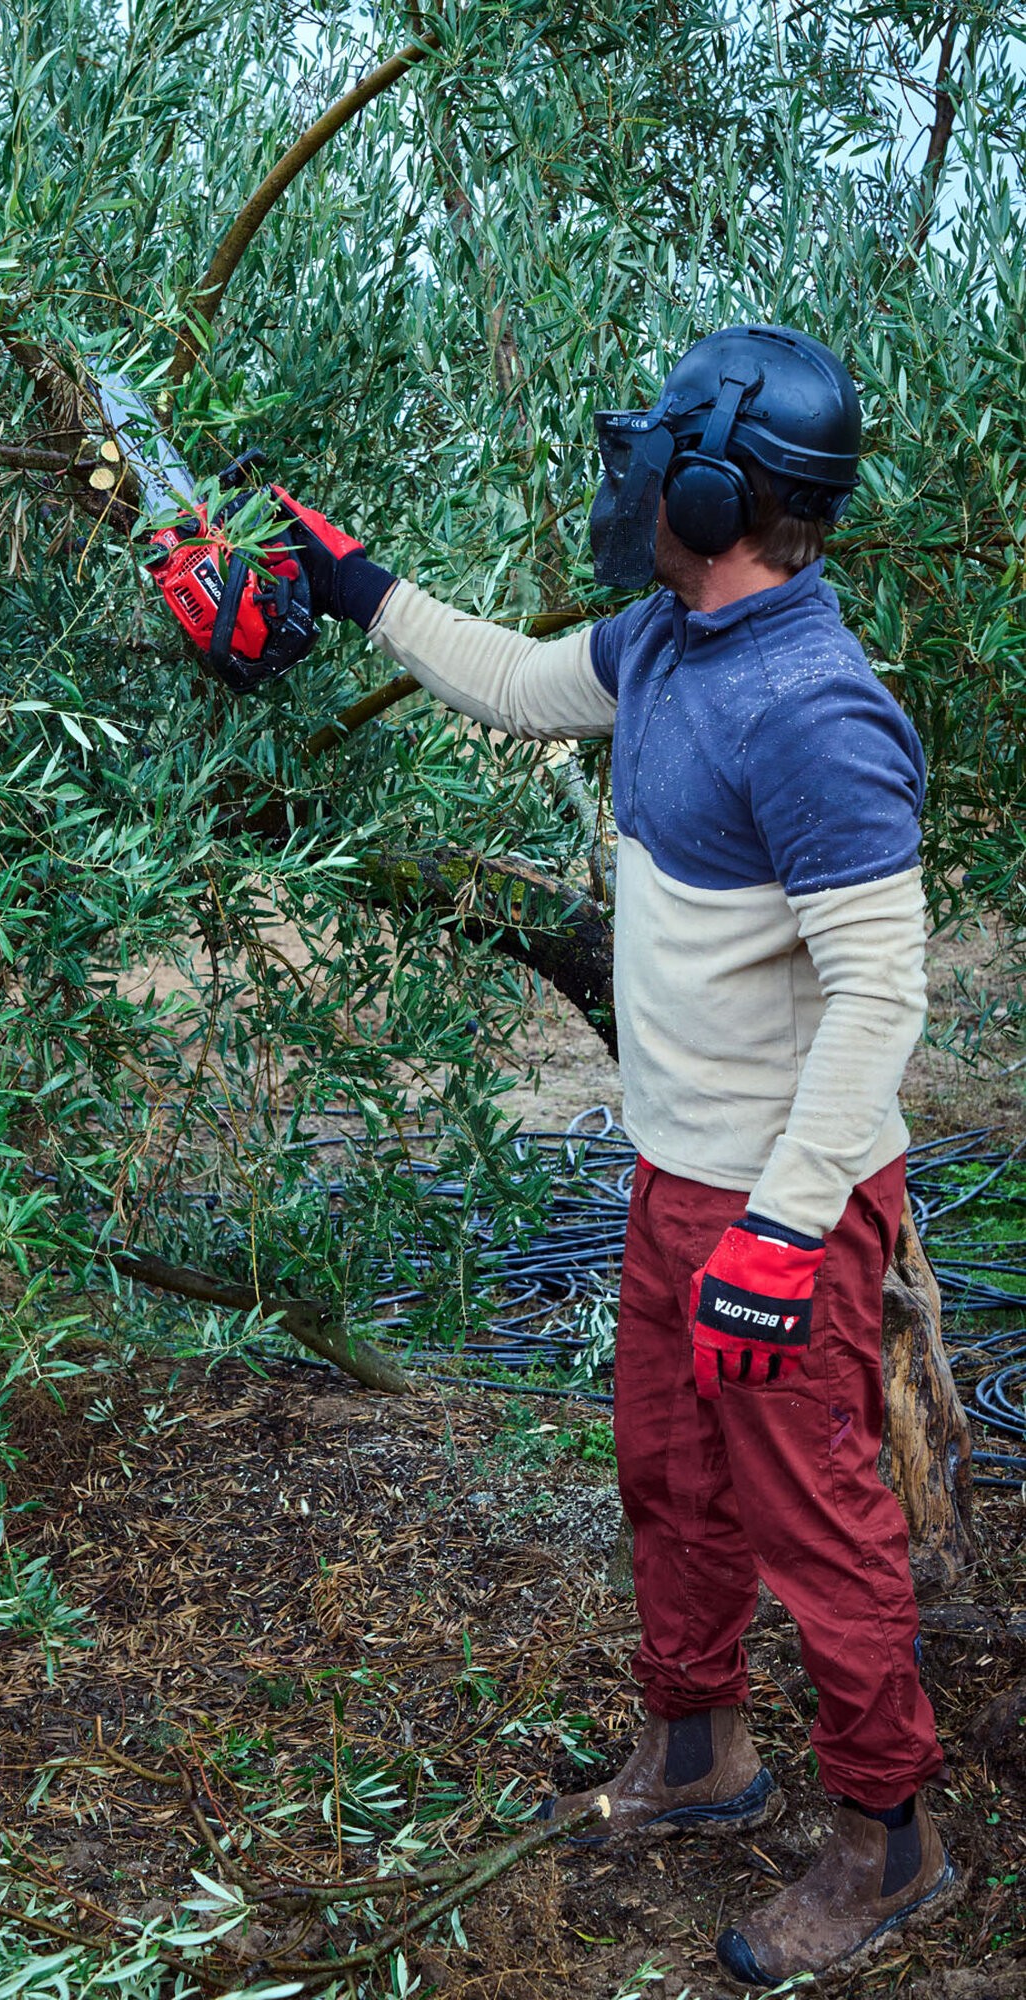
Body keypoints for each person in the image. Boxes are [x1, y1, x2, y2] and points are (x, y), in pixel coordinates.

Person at [269, 325, 957, 1987]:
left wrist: (782, 1233)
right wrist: (357, 589)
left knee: (819, 1530)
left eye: (651, 456)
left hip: (781, 1206)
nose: (627, 480)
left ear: (710, 494)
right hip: (674, 1174)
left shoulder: (811, 712)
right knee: (668, 1474)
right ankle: (699, 1750)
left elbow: (882, 992)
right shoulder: (664, 640)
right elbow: (518, 687)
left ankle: (887, 1840)